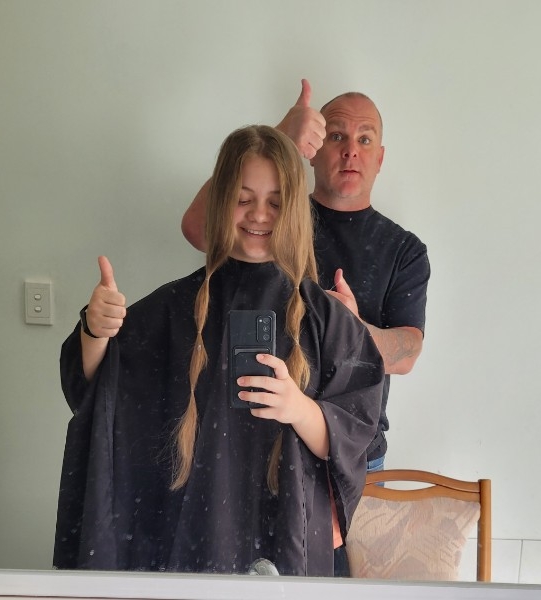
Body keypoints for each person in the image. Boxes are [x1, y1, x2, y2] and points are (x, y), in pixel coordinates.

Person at [53, 125, 384, 576]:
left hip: (287, 536)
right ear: (221, 200)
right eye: (244, 199)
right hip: (184, 535)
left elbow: (354, 437)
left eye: (275, 202)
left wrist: (298, 408)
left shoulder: (326, 320)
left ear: (294, 210)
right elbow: (97, 394)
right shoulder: (170, 310)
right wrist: (96, 331)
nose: (259, 215)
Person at [182, 81, 431, 476]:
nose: (351, 150)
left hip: (352, 455)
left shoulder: (404, 249)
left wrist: (353, 329)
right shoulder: (271, 218)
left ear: (380, 158)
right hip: (256, 444)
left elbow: (408, 355)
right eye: (337, 136)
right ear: (312, 150)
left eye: (365, 139)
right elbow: (198, 229)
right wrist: (281, 139)